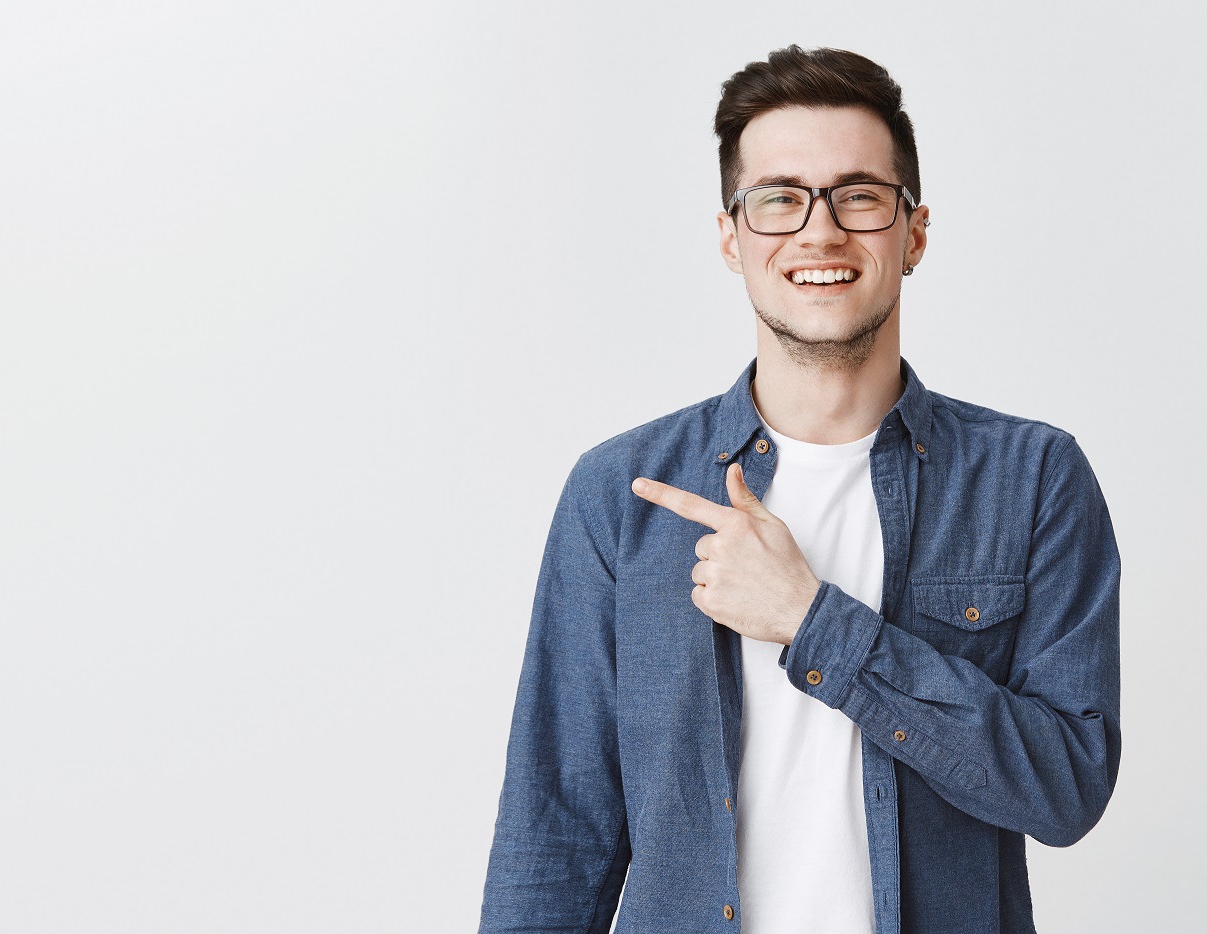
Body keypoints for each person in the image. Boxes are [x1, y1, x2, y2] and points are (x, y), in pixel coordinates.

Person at [478, 45, 1120, 934]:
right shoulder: (621, 495)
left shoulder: (1034, 478)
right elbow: (556, 834)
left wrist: (813, 621)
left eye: (858, 196)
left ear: (915, 232)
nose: (819, 233)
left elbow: (1066, 787)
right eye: (779, 199)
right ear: (732, 237)